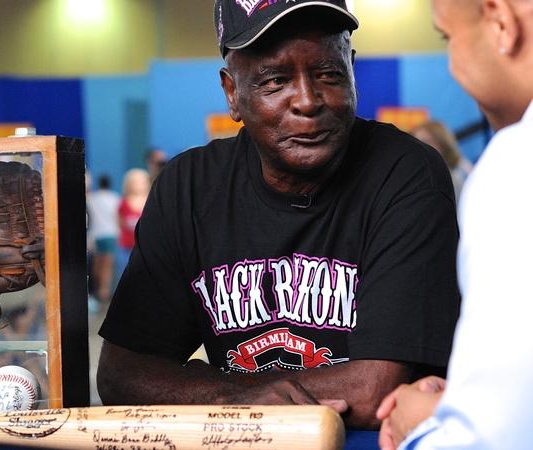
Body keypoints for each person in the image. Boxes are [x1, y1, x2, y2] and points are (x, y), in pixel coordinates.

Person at [97, 0, 462, 429]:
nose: (307, 102)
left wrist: (210, 392)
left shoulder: (404, 173)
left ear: (352, 69)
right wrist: (239, 394)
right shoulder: (189, 187)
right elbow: (120, 375)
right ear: (233, 93)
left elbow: (375, 391)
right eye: (275, 81)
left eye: (328, 73)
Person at [376, 1, 533, 448]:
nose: (452, 64)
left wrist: (423, 427)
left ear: (501, 22)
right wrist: (470, 397)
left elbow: (490, 440)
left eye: (448, 38)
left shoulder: (516, 166)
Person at [410, 121, 473, 201]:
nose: (420, 148)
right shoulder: (417, 177)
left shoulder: (461, 172)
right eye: (417, 143)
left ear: (442, 143)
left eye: (426, 141)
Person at [87, 174, 121, 303]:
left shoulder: (92, 199)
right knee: (107, 265)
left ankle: (97, 290)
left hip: (96, 235)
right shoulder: (115, 198)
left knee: (97, 264)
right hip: (110, 234)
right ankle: (104, 292)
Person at [116, 168, 150, 276]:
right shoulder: (123, 203)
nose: (138, 185)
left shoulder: (150, 202)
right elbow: (119, 223)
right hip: (127, 247)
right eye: (134, 182)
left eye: (141, 182)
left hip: (146, 248)